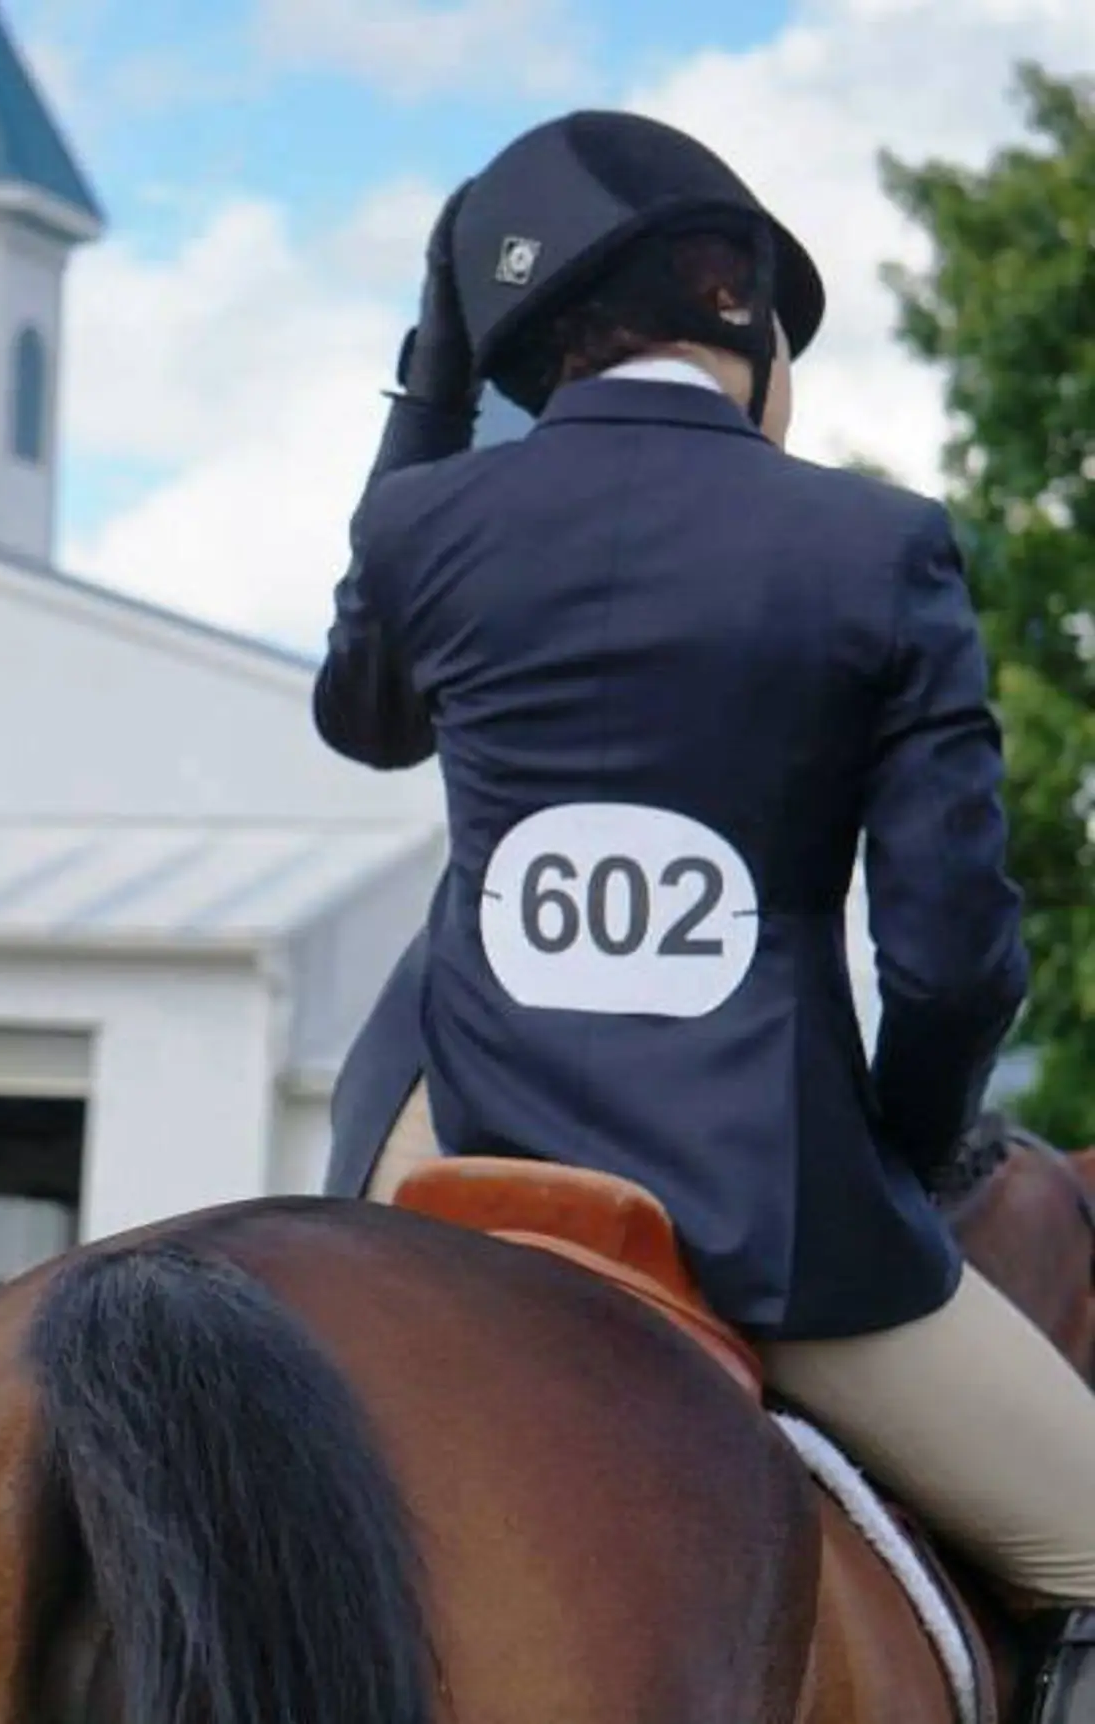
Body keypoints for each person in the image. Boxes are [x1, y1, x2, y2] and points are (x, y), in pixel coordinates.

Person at [312, 108, 1095, 1713]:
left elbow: (365, 719)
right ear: (739, 307)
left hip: (451, 1149)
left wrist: (433, 389)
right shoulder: (876, 547)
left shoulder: (426, 527)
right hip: (767, 1208)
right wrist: (900, 1146)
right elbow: (949, 963)